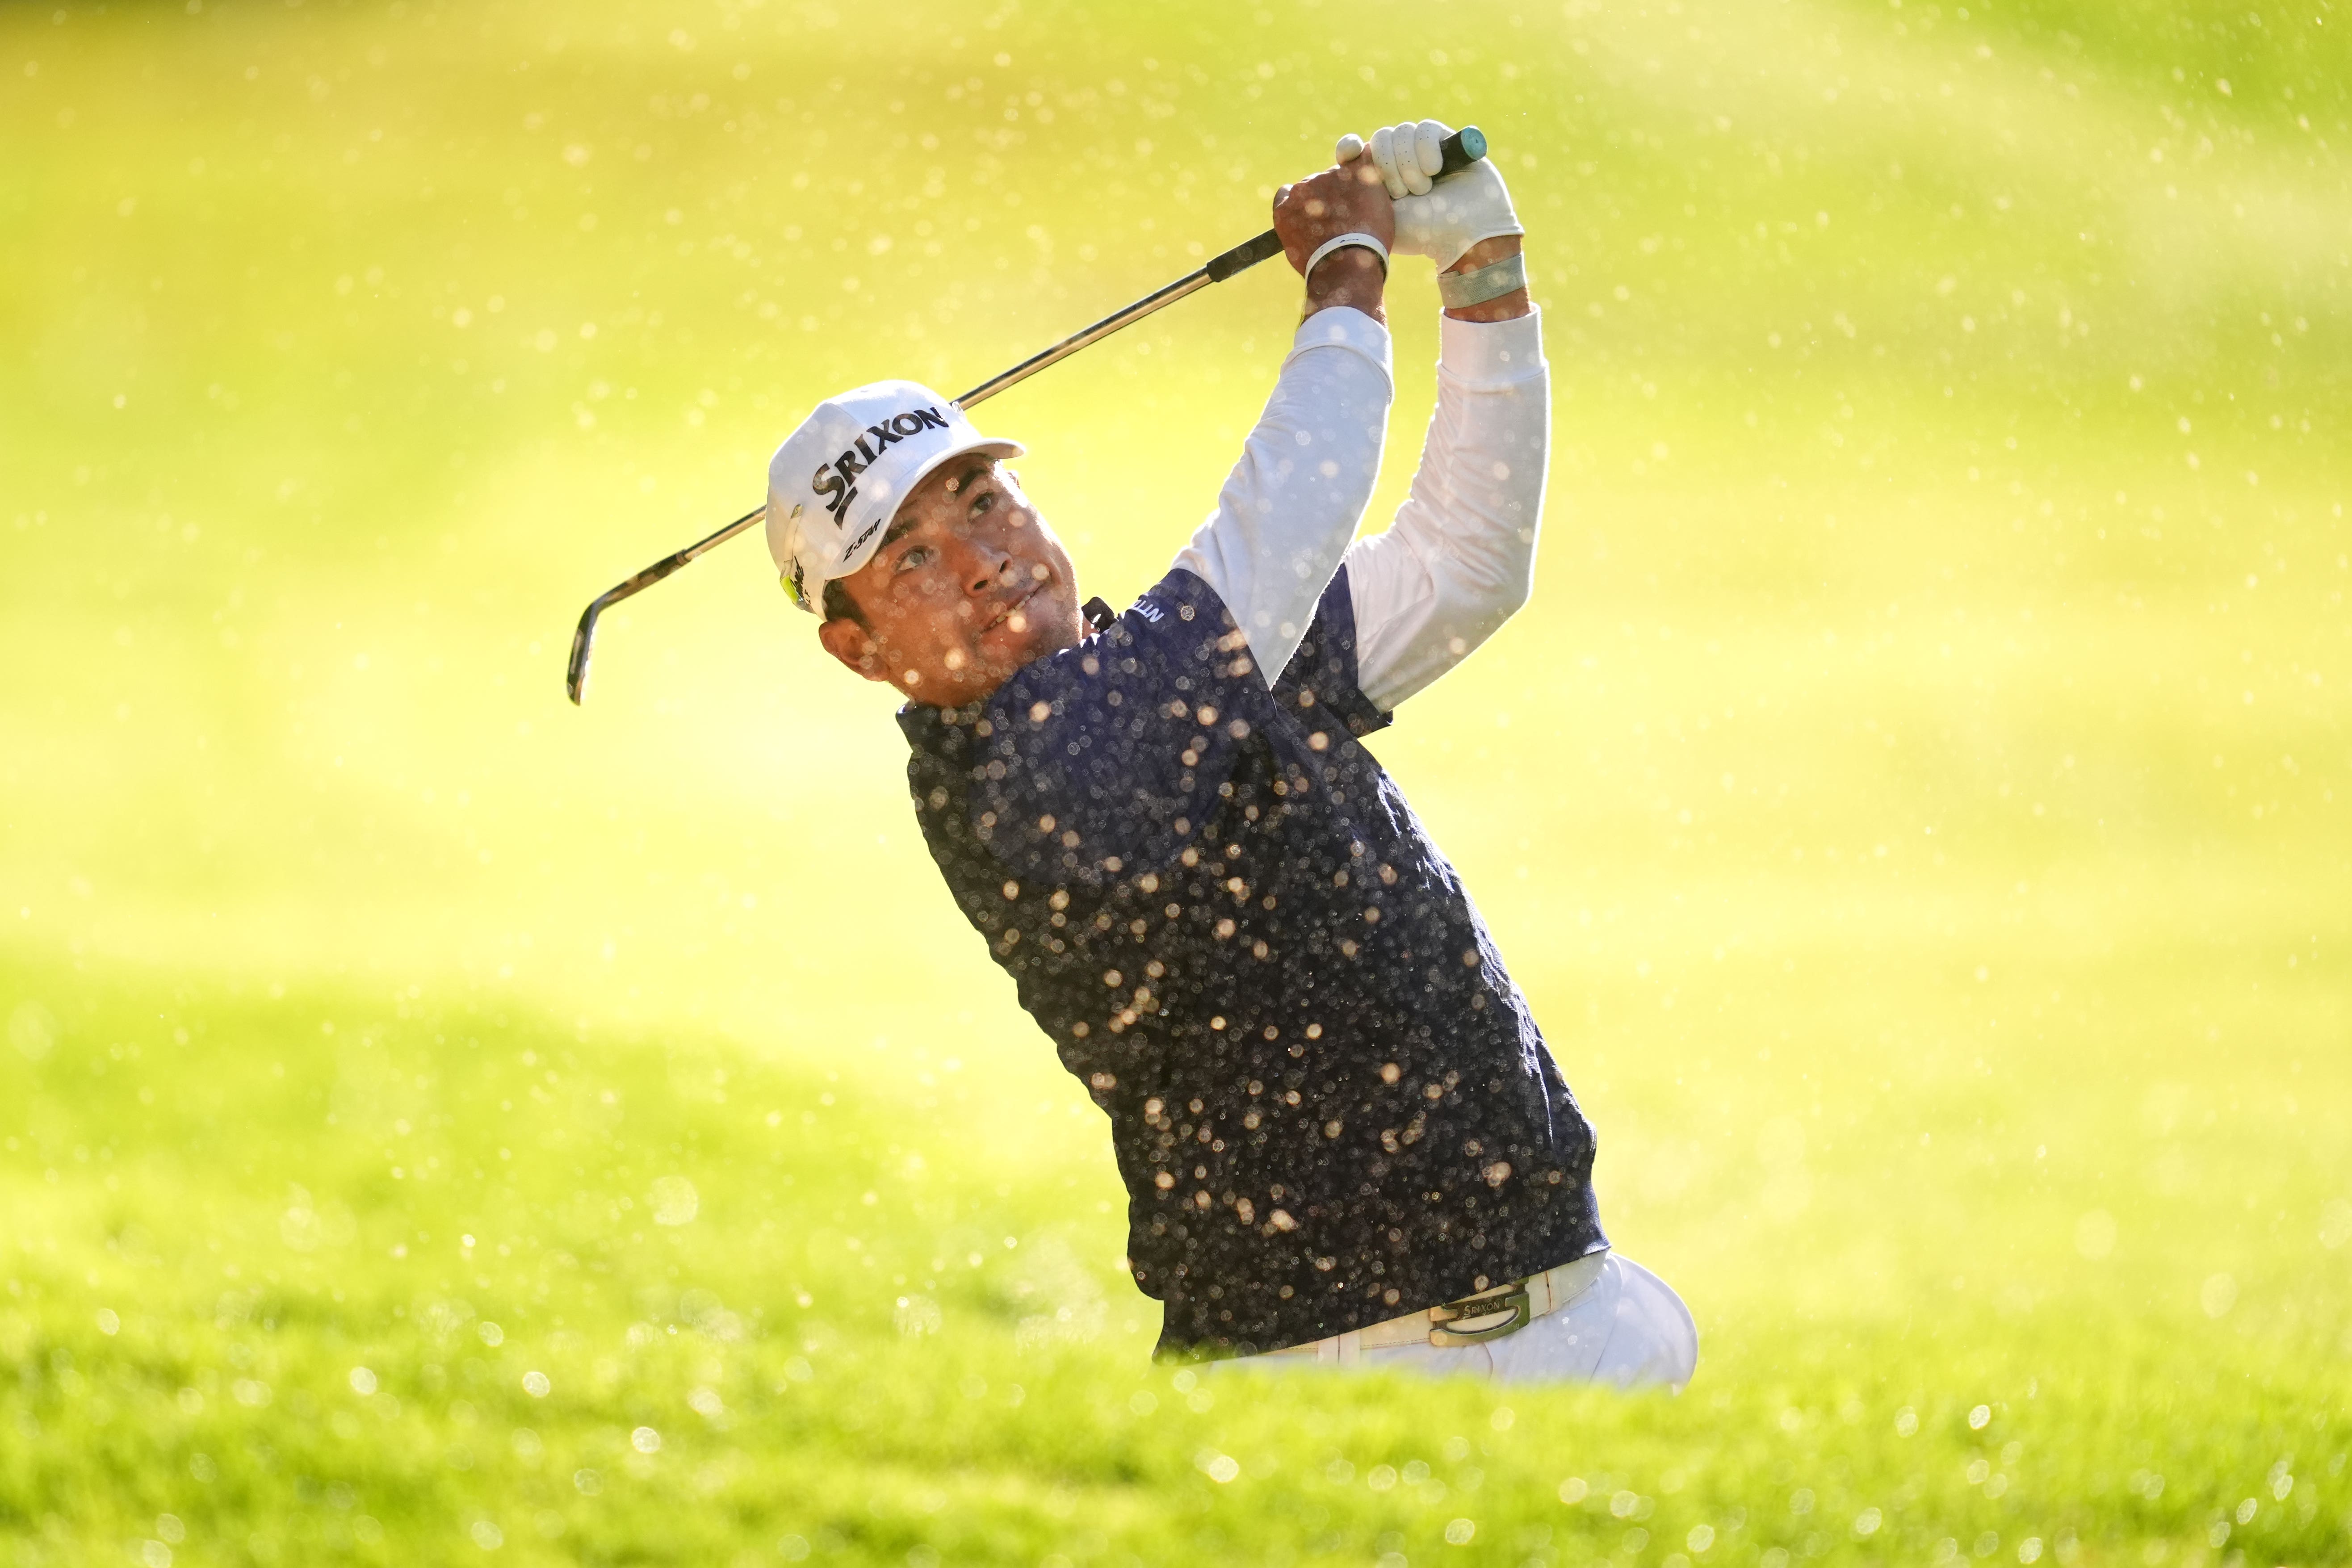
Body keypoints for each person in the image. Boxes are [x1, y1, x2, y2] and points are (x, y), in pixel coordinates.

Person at [760, 120, 1696, 1387]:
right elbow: (1279, 530)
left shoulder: (1182, 671)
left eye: (981, 501)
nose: (983, 559)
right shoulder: (1015, 775)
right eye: (911, 556)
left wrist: (1479, 273)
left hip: (1562, 1312)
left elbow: (1466, 568)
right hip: (1324, 1367)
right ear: (861, 652)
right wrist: (1345, 282)